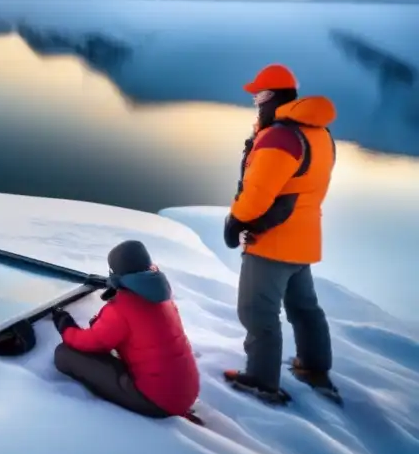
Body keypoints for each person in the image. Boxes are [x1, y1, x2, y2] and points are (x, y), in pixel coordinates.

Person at [222, 63, 340, 405]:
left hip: (271, 241)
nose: (254, 100)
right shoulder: (319, 134)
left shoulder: (280, 137)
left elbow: (258, 194)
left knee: (257, 312)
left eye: (257, 94)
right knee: (305, 308)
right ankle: (313, 367)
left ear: (270, 96)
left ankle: (261, 380)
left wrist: (235, 221)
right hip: (303, 238)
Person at [50, 240, 200, 420]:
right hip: (185, 392)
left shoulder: (122, 308)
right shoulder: (161, 296)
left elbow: (91, 342)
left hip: (156, 400)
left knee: (64, 354)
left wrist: (65, 326)